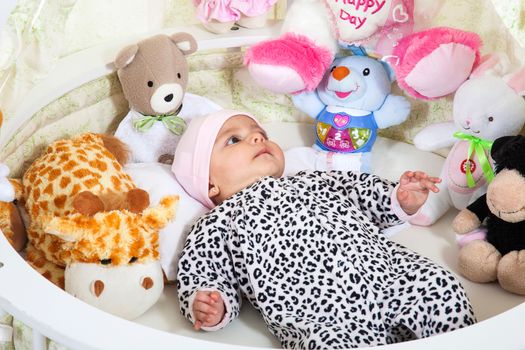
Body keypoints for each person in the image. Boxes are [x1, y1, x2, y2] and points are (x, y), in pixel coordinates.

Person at [172, 109, 476, 349]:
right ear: (209, 182)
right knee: (324, 344)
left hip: (389, 278)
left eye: (260, 133)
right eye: (233, 140)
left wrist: (399, 198)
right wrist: (210, 301)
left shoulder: (311, 180)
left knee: (438, 286)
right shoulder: (216, 224)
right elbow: (202, 270)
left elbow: (362, 192)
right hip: (322, 319)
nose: (257, 139)